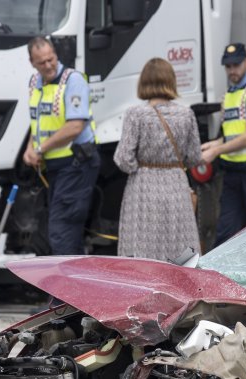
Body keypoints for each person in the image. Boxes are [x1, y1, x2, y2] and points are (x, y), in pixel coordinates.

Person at [113, 57, 201, 260]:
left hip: (143, 187)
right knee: (179, 245)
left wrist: (141, 166)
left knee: (142, 247)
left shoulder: (136, 114)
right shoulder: (186, 114)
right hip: (176, 185)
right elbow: (194, 157)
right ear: (171, 81)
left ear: (143, 82)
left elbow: (123, 159)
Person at [23, 36, 99, 255]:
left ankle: (61, 288)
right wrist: (30, 147)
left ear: (56, 54)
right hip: (55, 166)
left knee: (62, 229)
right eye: (42, 62)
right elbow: (37, 122)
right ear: (32, 63)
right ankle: (74, 287)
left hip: (75, 164)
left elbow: (75, 126)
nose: (48, 66)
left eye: (51, 59)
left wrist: (40, 149)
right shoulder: (34, 82)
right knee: (62, 231)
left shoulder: (72, 81)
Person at [201, 42, 246, 246]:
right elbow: (232, 136)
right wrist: (212, 144)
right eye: (228, 66)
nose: (232, 70)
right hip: (233, 174)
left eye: (236, 65)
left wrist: (216, 150)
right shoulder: (230, 96)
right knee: (227, 235)